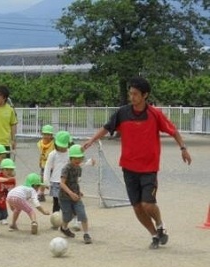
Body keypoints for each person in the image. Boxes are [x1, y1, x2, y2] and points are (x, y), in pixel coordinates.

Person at [83, 77, 192, 249]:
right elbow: (107, 127)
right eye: (130, 93)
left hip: (149, 168)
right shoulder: (123, 113)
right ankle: (155, 235)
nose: (131, 97)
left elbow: (174, 131)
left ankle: (160, 224)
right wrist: (91, 140)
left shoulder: (155, 114)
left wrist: (183, 148)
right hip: (128, 167)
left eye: (135, 94)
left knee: (147, 203)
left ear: (145, 95)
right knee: (137, 207)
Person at [58, 144, 92, 244]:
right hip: (64, 197)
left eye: (80, 158)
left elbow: (75, 181)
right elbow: (61, 183)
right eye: (75, 158)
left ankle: (86, 234)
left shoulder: (79, 168)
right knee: (67, 216)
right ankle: (64, 228)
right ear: (70, 158)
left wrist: (78, 191)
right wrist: (70, 193)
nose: (78, 161)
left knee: (82, 214)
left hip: (76, 197)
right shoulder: (66, 169)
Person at [36, 124, 55, 202]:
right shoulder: (40, 143)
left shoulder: (54, 143)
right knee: (43, 180)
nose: (46, 136)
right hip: (44, 165)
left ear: (51, 135)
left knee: (54, 180)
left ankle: (55, 195)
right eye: (44, 134)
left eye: (48, 134)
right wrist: (40, 161)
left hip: (53, 166)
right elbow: (41, 153)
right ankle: (41, 194)